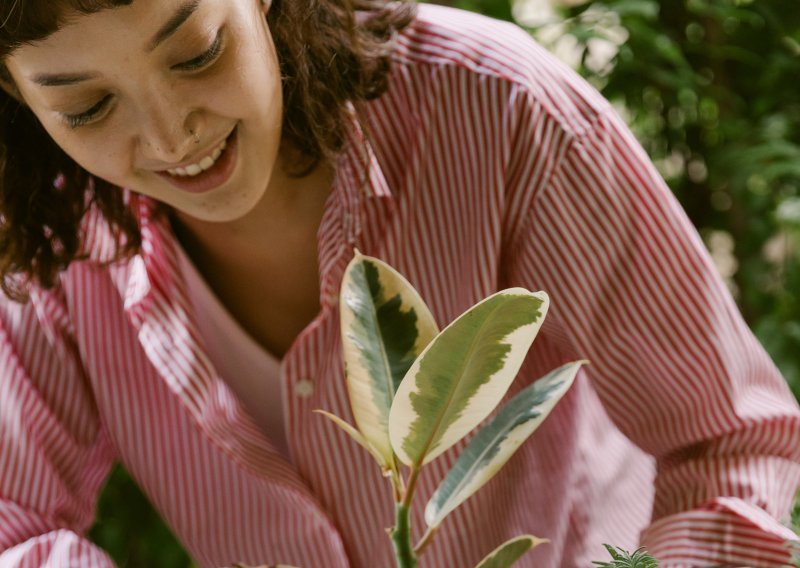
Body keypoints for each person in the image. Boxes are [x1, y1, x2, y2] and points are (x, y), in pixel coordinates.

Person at [0, 0, 798, 566]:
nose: (172, 133)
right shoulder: (46, 233)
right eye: (88, 107)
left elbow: (731, 443)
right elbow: (13, 524)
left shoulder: (502, 112)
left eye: (199, 53)